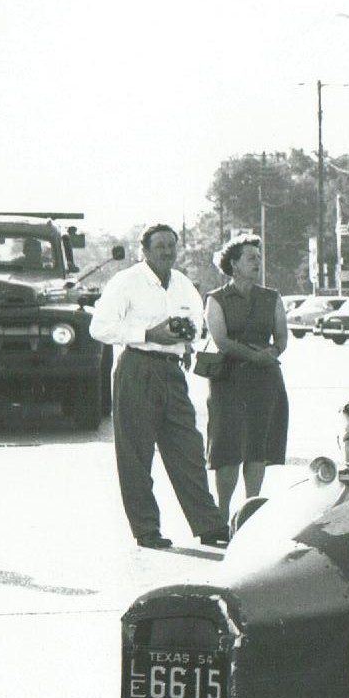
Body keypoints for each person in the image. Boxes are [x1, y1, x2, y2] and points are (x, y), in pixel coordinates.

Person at [89, 224, 227, 550]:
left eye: (171, 246)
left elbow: (196, 324)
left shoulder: (182, 284)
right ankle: (147, 529)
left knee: (188, 450)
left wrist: (186, 335)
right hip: (138, 366)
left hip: (173, 370)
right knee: (136, 454)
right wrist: (148, 334)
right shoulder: (126, 282)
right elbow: (99, 327)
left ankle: (209, 526)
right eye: (160, 246)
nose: (167, 251)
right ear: (145, 251)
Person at [203, 235, 290, 528]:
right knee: (227, 448)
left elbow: (281, 336)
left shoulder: (271, 297)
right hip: (229, 380)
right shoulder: (216, 299)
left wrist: (273, 352)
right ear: (234, 264)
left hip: (265, 380)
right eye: (251, 257)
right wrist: (255, 356)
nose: (257, 262)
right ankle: (222, 514)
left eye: (259, 257)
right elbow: (221, 340)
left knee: (257, 446)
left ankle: (250, 512)